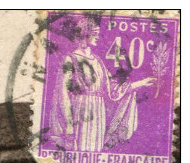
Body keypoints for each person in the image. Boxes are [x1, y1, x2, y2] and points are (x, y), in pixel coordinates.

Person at [50, 17, 155, 152]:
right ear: (85, 34)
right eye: (95, 34)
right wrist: (69, 123)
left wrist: (141, 83)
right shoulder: (70, 59)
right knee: (80, 150)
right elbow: (63, 94)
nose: (98, 37)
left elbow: (112, 90)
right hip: (81, 111)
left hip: (98, 113)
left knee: (95, 151)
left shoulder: (98, 61)